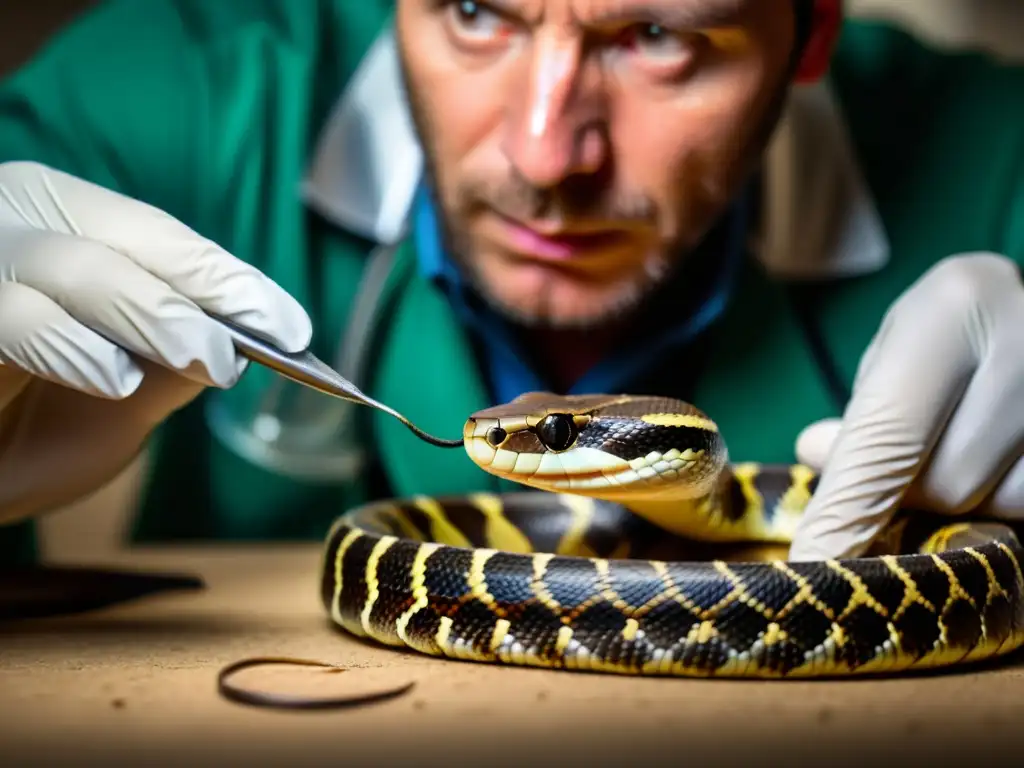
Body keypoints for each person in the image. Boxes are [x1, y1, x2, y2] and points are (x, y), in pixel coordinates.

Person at [0, 0, 1020, 567]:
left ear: (811, 34)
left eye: (657, 38)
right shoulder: (171, 90)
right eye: (478, 12)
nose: (544, 156)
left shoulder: (993, 156)